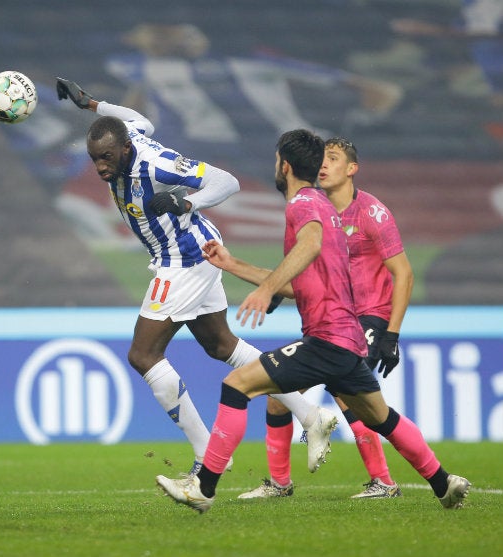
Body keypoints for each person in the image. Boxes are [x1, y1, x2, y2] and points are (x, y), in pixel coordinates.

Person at [155, 129, 470, 513]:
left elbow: (309, 246)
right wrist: (232, 264)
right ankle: (444, 483)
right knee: (381, 418)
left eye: (276, 160)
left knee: (237, 385)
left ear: (284, 166)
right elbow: (301, 283)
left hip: (327, 339)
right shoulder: (324, 208)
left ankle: (203, 488)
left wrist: (266, 288)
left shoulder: (303, 206)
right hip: (348, 341)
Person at [56, 79, 337, 476]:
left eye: (106, 158)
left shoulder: (156, 164)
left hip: (184, 259)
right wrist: (92, 105)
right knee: (222, 345)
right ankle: (311, 415)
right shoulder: (128, 136)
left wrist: (186, 200)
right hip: (191, 253)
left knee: (143, 355)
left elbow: (227, 182)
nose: (100, 167)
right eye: (94, 159)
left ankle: (207, 454)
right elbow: (137, 119)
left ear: (124, 150)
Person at [237, 137, 414, 500]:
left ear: (351, 169)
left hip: (367, 318)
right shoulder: (315, 208)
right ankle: (280, 483)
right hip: (334, 318)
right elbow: (312, 269)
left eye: (333, 159)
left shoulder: (371, 212)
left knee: (346, 394)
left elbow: (404, 273)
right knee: (278, 396)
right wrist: (277, 293)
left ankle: (383, 480)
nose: (323, 164)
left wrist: (391, 335)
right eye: (321, 158)